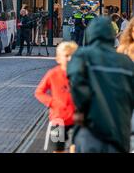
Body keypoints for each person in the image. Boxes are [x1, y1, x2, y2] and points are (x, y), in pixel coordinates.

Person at [67, 17, 134, 153]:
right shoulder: (126, 61)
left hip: (92, 130)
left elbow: (76, 83)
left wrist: (82, 108)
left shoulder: (82, 55)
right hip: (120, 132)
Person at [35, 41, 78, 153]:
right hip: (58, 119)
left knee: (76, 147)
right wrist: (52, 102)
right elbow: (39, 92)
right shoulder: (53, 74)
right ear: (58, 58)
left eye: (73, 56)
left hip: (77, 119)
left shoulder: (80, 74)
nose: (70, 59)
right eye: (67, 56)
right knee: (57, 149)